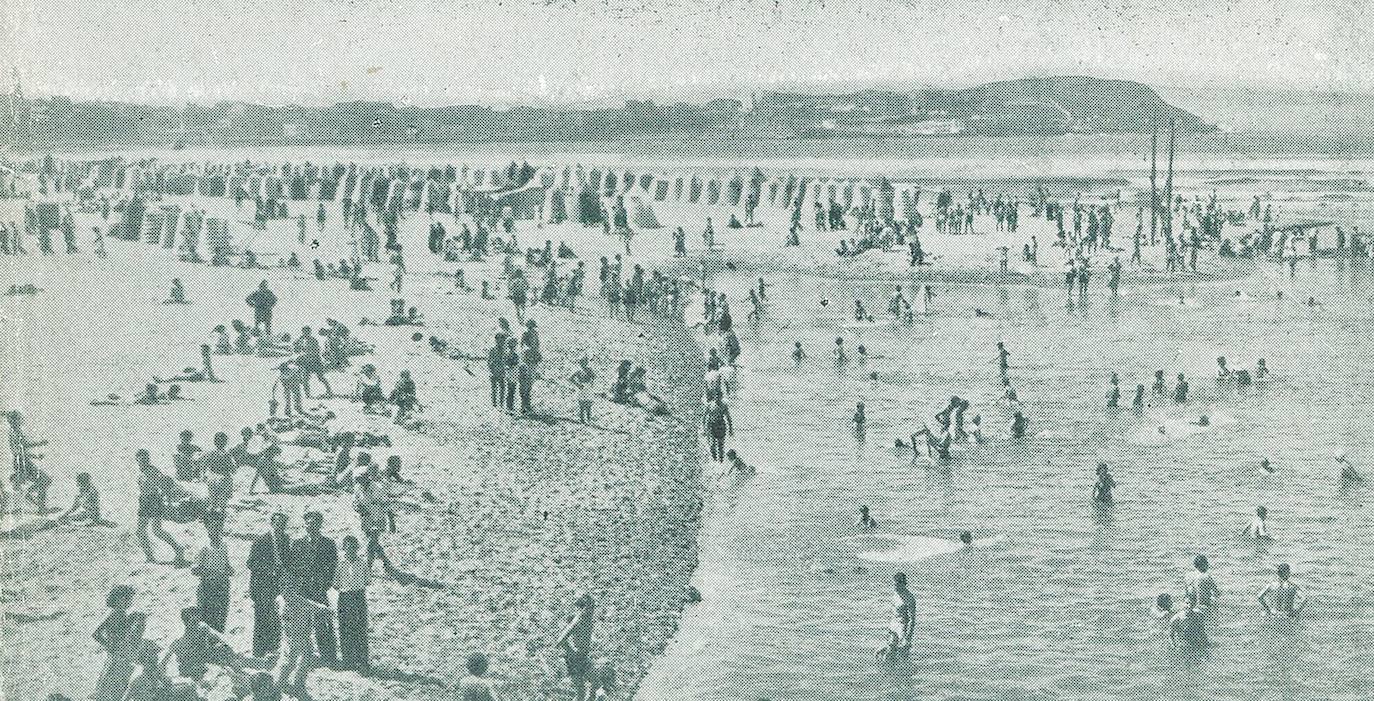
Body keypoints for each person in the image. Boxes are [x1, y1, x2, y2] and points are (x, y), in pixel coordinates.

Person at [290, 510, 338, 666]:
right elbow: (292, 566)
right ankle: (302, 655)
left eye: (314, 523)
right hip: (302, 589)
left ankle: (328, 656)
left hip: (319, 588)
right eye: (308, 523)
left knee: (323, 620)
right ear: (305, 525)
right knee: (301, 622)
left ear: (320, 525)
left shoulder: (328, 544)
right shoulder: (297, 543)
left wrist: (325, 583)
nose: (310, 526)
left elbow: (333, 567)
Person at [163, 607, 248, 694]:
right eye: (194, 622)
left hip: (205, 660)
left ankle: (236, 672)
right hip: (191, 669)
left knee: (222, 648)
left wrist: (234, 653)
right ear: (186, 623)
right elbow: (165, 659)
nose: (197, 624)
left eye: (198, 620)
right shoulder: (179, 640)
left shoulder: (202, 628)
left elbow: (220, 639)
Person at [248, 512, 290, 657]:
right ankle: (259, 652)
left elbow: (287, 560)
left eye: (283, 525)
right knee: (262, 617)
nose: (280, 527)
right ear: (272, 523)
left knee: (276, 617)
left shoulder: (285, 539)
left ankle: (273, 649)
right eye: (278, 524)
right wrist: (269, 569)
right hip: (262, 585)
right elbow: (251, 563)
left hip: (279, 584)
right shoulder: (261, 540)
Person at [136, 449, 188, 567]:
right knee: (140, 531)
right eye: (141, 460)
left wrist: (168, 501)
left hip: (154, 501)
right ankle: (149, 557)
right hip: (144, 501)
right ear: (137, 460)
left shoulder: (153, 471)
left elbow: (166, 485)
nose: (143, 462)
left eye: (145, 459)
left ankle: (178, 549)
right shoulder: (141, 473)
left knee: (156, 530)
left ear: (148, 459)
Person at [92, 585, 137, 701]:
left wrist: (109, 646)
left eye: (130, 599)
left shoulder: (114, 614)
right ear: (117, 600)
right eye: (126, 599)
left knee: (110, 683)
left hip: (116, 654)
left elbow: (96, 634)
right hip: (120, 655)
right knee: (118, 684)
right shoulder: (120, 615)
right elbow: (122, 633)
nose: (129, 602)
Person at [335, 535, 370, 672]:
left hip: (358, 596)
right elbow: (336, 584)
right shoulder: (340, 564)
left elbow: (367, 581)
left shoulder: (362, 563)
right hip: (344, 598)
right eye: (348, 547)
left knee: (360, 628)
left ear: (357, 548)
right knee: (345, 628)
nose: (350, 550)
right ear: (344, 548)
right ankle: (348, 661)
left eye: (353, 547)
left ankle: (362, 661)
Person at [193, 516, 234, 632]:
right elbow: (195, 569)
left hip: (222, 586)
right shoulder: (203, 546)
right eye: (213, 526)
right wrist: (213, 573)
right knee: (207, 619)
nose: (216, 529)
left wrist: (230, 570)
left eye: (219, 526)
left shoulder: (224, 545)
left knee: (221, 618)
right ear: (208, 527)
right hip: (208, 587)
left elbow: (226, 564)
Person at [557, 594, 597, 701]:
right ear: (582, 608)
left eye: (592, 608)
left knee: (594, 684)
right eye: (589, 608)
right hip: (574, 659)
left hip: (582, 657)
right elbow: (560, 640)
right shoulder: (578, 621)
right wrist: (572, 652)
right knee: (581, 692)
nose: (591, 611)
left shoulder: (588, 620)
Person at [704, 396, 734, 463]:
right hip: (712, 425)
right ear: (714, 397)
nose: (717, 398)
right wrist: (704, 428)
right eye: (716, 396)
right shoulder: (710, 405)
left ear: (721, 397)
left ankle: (721, 460)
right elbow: (705, 416)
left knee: (720, 444)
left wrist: (730, 428)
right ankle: (714, 458)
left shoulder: (723, 405)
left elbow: (728, 417)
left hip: (720, 425)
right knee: (712, 444)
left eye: (719, 397)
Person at [891, 573, 916, 649]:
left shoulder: (909, 598)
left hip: (902, 629)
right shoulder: (896, 594)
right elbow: (894, 613)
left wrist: (907, 637)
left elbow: (912, 620)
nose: (894, 587)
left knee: (901, 654)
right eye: (894, 584)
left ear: (903, 584)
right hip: (893, 626)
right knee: (881, 653)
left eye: (896, 585)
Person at [570, 357, 596, 424]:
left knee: (588, 404)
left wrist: (591, 383)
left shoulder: (589, 370)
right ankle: (582, 419)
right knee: (581, 404)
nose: (583, 364)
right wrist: (578, 385)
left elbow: (593, 377)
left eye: (585, 363)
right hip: (581, 388)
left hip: (588, 388)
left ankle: (589, 419)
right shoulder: (578, 371)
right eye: (582, 363)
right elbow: (571, 378)